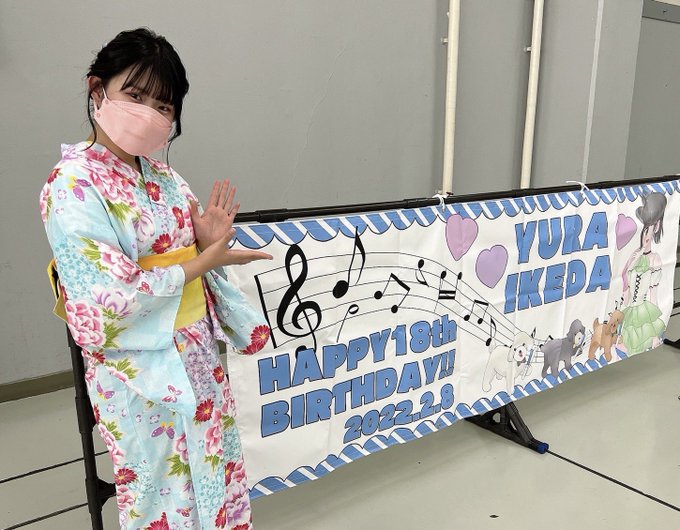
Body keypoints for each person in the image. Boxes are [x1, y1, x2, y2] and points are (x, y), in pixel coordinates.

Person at [39, 28, 272, 530]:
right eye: (135, 95)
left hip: (196, 350)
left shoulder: (166, 178)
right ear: (97, 89)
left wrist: (206, 242)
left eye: (163, 106)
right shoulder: (72, 183)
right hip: (139, 366)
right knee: (161, 488)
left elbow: (192, 255)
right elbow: (107, 296)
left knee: (215, 469)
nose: (150, 113)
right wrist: (203, 262)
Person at [619, 192, 667, 355]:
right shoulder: (634, 255)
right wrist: (634, 261)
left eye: (649, 230)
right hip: (630, 311)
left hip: (644, 312)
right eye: (644, 230)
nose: (645, 236)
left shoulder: (655, 259)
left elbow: (654, 295)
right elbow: (626, 286)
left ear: (657, 227)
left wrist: (654, 332)